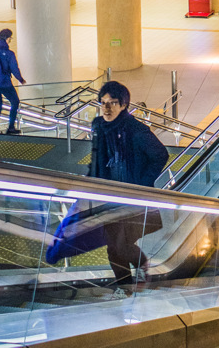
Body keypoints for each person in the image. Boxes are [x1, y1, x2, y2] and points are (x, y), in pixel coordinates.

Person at [88, 81, 169, 287]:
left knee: (120, 244)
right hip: (107, 197)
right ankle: (124, 286)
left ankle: (139, 266)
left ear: (124, 105)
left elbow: (160, 155)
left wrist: (141, 184)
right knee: (113, 246)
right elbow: (97, 158)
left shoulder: (136, 130)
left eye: (113, 103)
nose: (106, 108)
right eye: (103, 102)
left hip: (132, 198)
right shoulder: (98, 126)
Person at [0, 28, 26, 135]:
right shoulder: (9, 53)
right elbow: (14, 68)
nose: (10, 40)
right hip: (5, 83)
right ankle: (11, 127)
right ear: (7, 39)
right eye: (10, 38)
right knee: (15, 102)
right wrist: (20, 79)